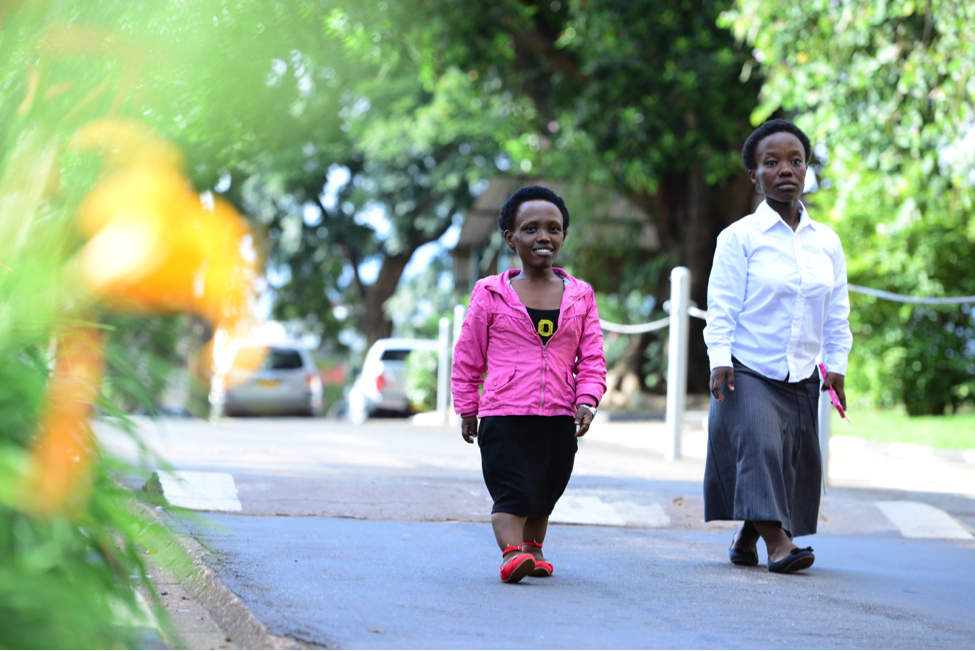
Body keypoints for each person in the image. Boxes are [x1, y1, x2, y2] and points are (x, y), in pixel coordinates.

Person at [703, 119, 852, 574]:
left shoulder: (826, 241)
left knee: (792, 461)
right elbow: (721, 306)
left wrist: (837, 367)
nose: (785, 169)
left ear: (806, 170)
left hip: (802, 371)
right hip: (747, 367)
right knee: (761, 447)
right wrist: (720, 360)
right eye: (772, 162)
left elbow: (837, 311)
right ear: (755, 175)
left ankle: (747, 535)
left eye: (795, 160)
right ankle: (777, 544)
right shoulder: (739, 237)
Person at [451, 185, 607, 584]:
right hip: (505, 413)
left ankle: (533, 550)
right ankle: (511, 553)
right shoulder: (489, 293)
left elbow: (591, 357)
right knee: (513, 490)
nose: (544, 237)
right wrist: (467, 407)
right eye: (531, 228)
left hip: (558, 414)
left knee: (547, 487)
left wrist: (587, 400)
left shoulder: (580, 296)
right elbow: (469, 356)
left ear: (563, 236)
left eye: (553, 228)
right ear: (511, 237)